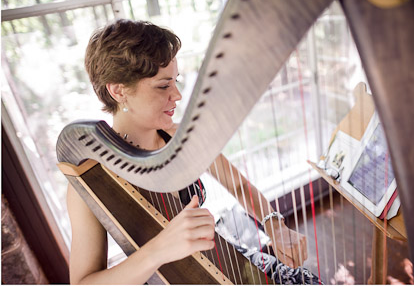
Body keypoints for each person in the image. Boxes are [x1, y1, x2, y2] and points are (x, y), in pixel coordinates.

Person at [67, 19, 319, 284]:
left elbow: (239, 186)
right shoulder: (91, 179)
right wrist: (159, 249)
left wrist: (275, 226)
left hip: (226, 259)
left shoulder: (179, 138)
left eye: (175, 81)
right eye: (163, 86)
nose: (176, 95)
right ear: (119, 91)